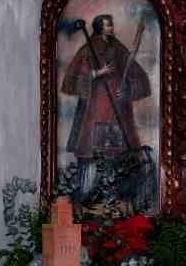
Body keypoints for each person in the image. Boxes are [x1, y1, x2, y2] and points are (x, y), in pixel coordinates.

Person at [62, 13, 152, 163]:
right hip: (98, 97)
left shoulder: (117, 47)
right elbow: (79, 73)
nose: (112, 27)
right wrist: (98, 73)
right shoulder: (88, 48)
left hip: (117, 96)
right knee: (97, 130)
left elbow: (131, 68)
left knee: (121, 132)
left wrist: (126, 88)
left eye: (111, 24)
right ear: (100, 28)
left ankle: (123, 160)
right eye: (108, 25)